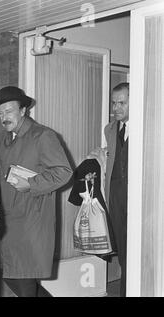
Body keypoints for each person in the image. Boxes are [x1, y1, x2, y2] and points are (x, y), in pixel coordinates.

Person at [0, 86, 72, 297]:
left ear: (23, 110)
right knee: (8, 273)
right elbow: (0, 174)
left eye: (8, 111)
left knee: (24, 278)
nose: (3, 117)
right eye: (0, 113)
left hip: (31, 221)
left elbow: (63, 172)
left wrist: (32, 184)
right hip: (8, 220)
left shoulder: (43, 135)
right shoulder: (5, 139)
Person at [104, 82, 129, 297]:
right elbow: (111, 155)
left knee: (134, 250)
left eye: (122, 103)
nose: (116, 108)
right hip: (115, 195)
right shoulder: (110, 129)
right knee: (121, 249)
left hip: (136, 197)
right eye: (114, 103)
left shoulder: (146, 125)